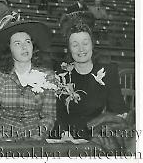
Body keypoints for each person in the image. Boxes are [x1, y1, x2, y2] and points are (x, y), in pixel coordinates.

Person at [53, 20, 130, 150]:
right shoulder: (61, 74)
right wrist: (64, 134)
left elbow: (118, 111)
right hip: (66, 139)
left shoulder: (108, 73)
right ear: (69, 48)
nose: (81, 49)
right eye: (75, 44)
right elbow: (58, 114)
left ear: (92, 45)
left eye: (85, 43)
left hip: (97, 140)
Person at [0, 18, 56, 141]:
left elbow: (49, 116)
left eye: (27, 42)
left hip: (35, 140)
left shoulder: (48, 75)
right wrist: (1, 136)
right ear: (9, 49)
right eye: (17, 43)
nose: (24, 47)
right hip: (5, 139)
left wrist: (37, 137)